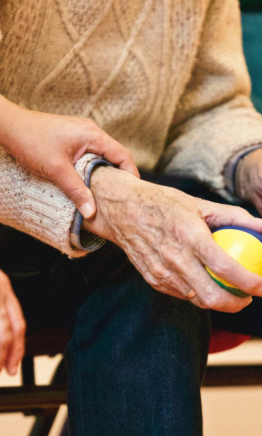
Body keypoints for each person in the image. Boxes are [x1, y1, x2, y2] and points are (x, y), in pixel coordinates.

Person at [1, 0, 262, 434]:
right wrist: (111, 199)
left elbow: (206, 107)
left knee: (165, 247)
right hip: (17, 213)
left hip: (142, 201)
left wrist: (249, 161)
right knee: (157, 260)